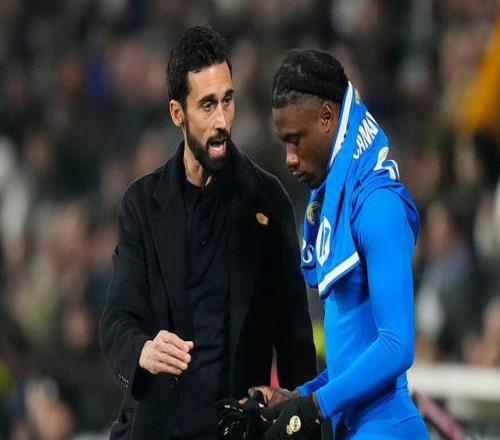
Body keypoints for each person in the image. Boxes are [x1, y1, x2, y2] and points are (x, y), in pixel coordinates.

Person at [98, 27, 317, 440]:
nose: (221, 121)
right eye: (207, 105)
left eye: (227, 101)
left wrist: (300, 415)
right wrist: (145, 350)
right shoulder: (142, 206)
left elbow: (294, 338)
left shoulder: (267, 201)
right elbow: (117, 320)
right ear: (177, 114)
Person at [249, 49, 429, 439]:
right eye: (284, 144)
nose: (289, 158)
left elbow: (397, 346)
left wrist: (315, 407)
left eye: (296, 140)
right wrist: (298, 397)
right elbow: (356, 356)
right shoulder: (337, 203)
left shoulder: (378, 205)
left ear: (328, 118)